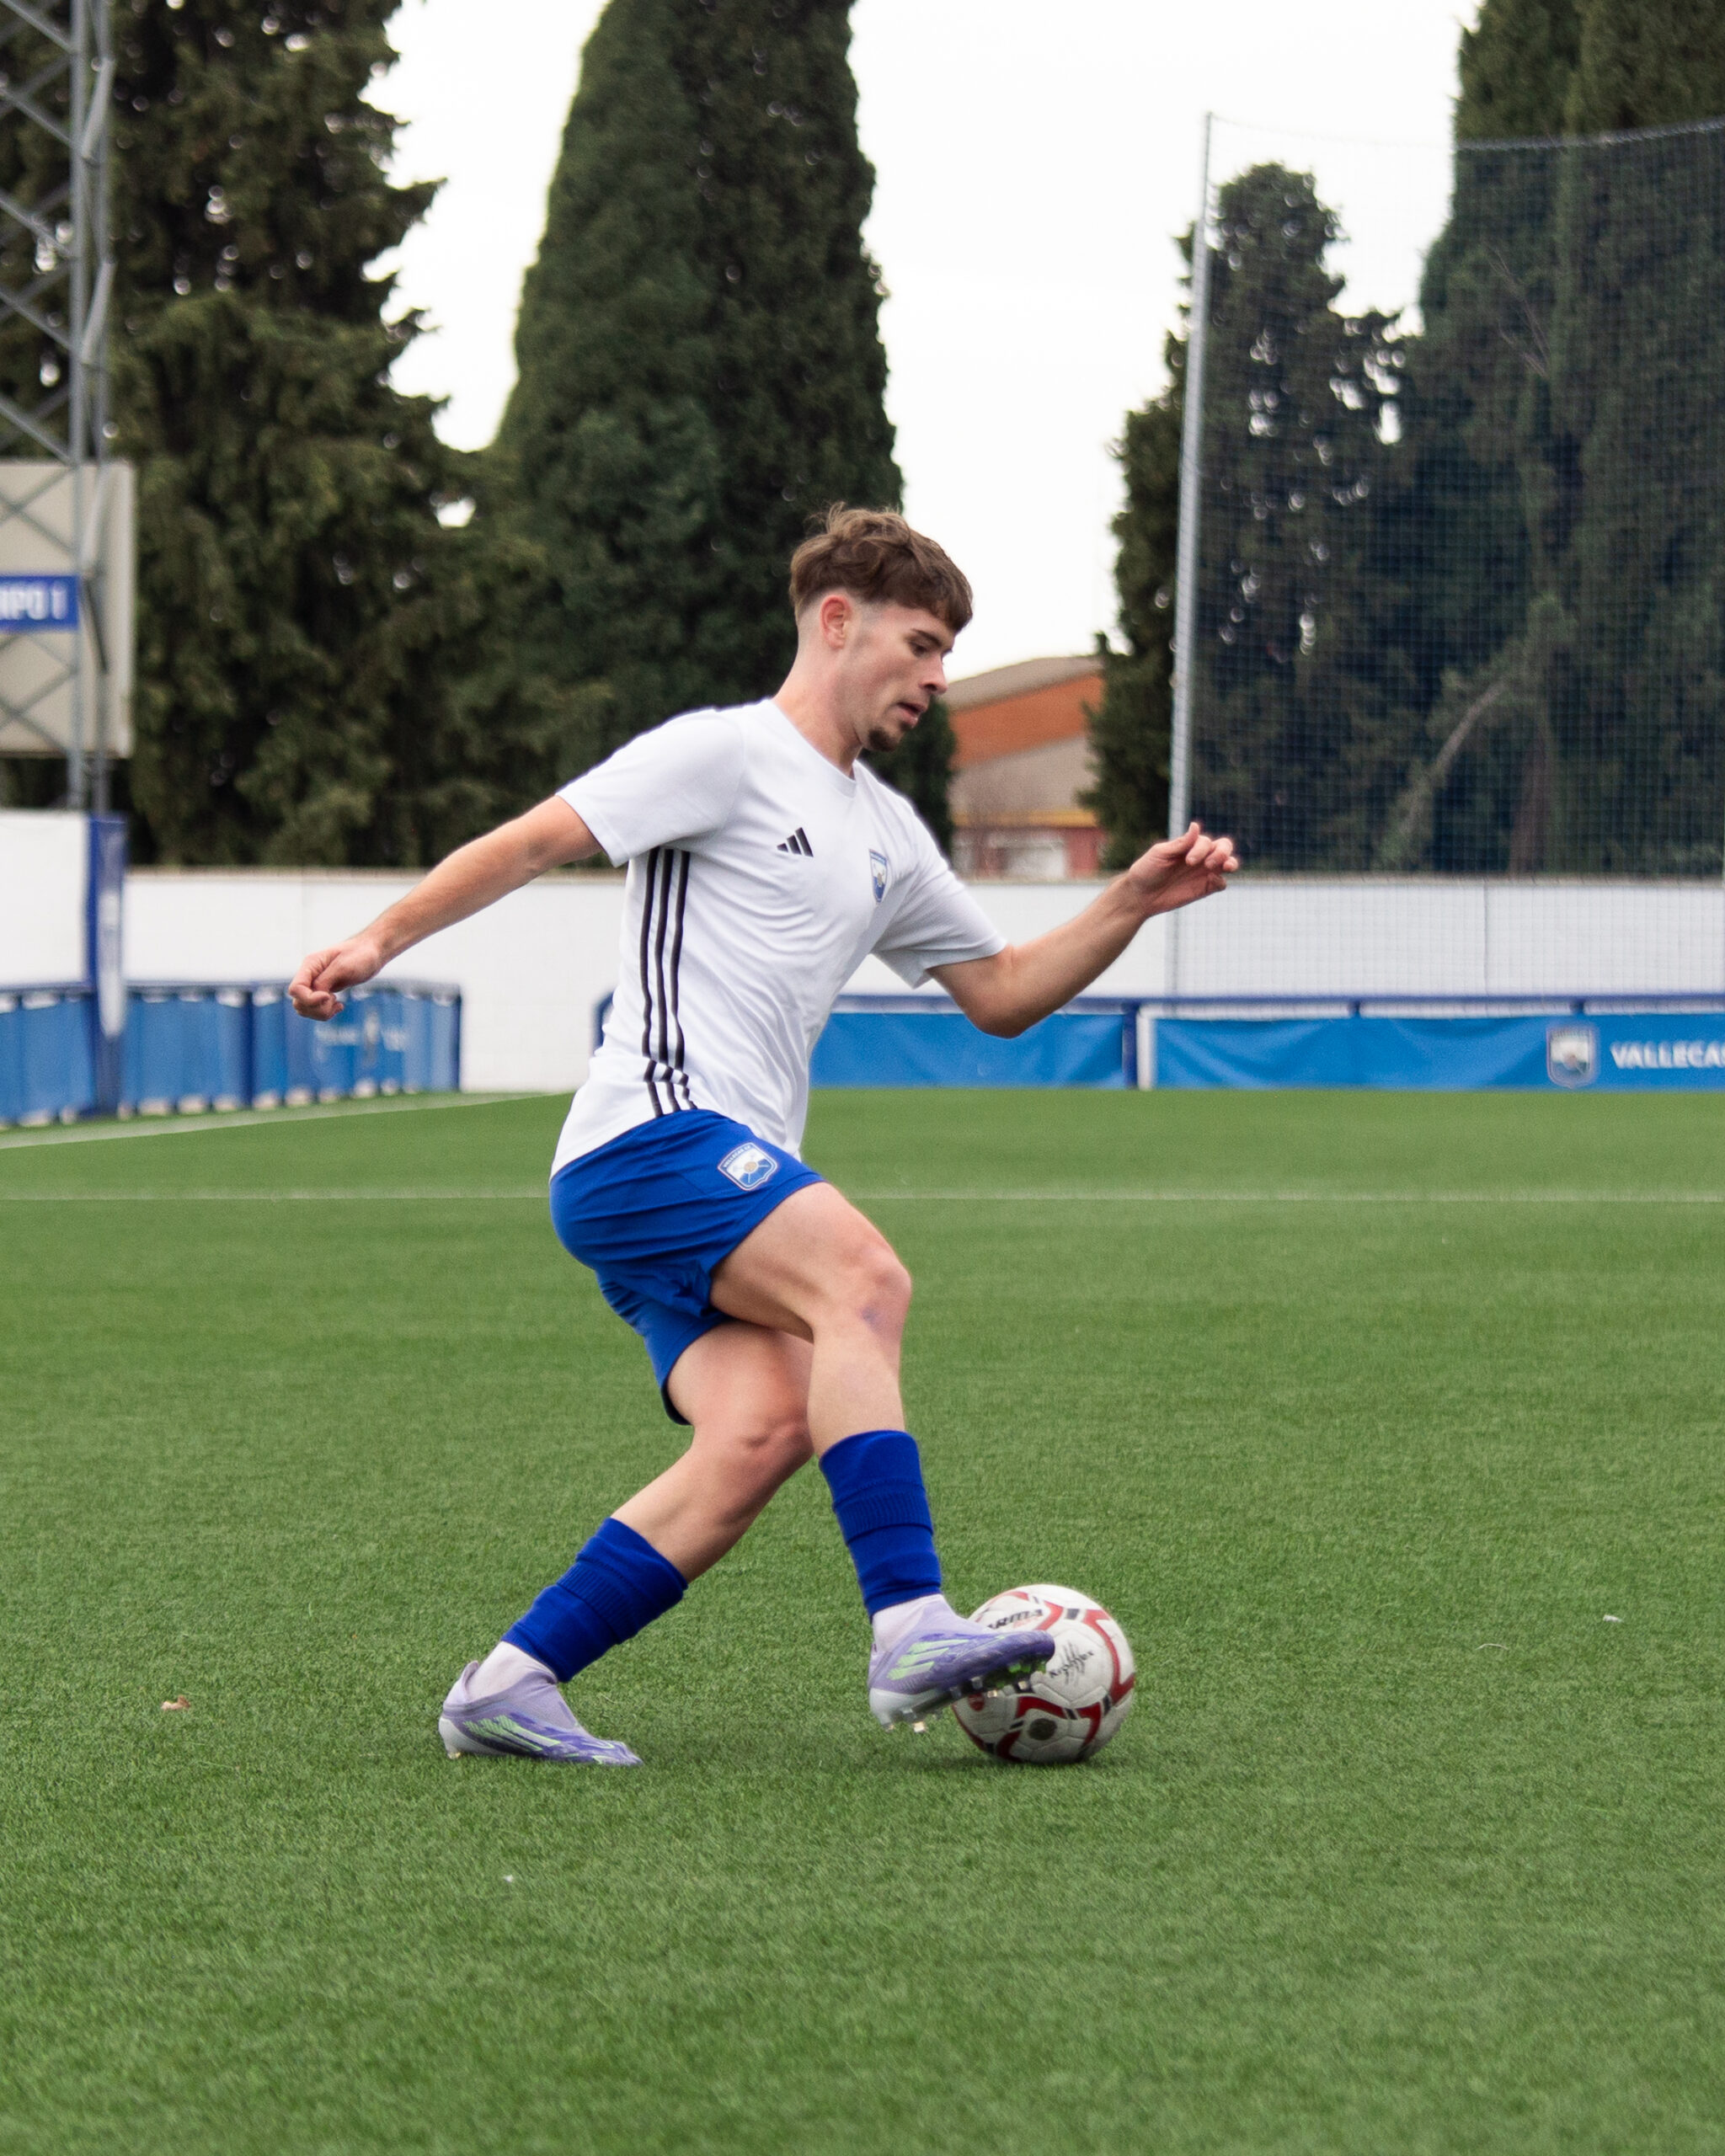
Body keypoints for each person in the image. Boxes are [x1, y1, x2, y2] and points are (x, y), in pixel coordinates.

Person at [290, 507, 1237, 1767]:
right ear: (837, 621)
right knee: (864, 1281)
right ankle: (909, 1625)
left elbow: (1003, 993)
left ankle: (509, 1684)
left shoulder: (886, 833)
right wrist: (375, 942)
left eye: (948, 654)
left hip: (693, 1176)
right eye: (921, 645)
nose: (938, 679)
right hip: (650, 1135)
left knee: (765, 1429)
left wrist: (1129, 901)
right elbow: (533, 841)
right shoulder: (723, 754)